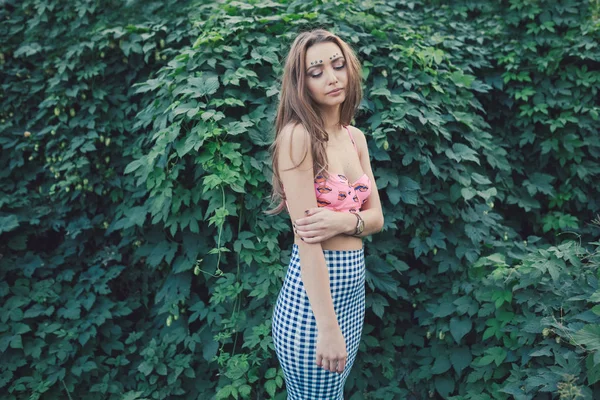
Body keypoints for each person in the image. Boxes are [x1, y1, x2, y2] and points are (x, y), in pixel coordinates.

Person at [267, 29, 384, 399]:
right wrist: (327, 327)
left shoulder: (355, 137)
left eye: (337, 65)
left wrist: (344, 221)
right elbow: (307, 238)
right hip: (314, 305)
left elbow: (377, 217)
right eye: (316, 72)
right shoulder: (297, 137)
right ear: (302, 83)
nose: (332, 77)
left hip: (351, 297)